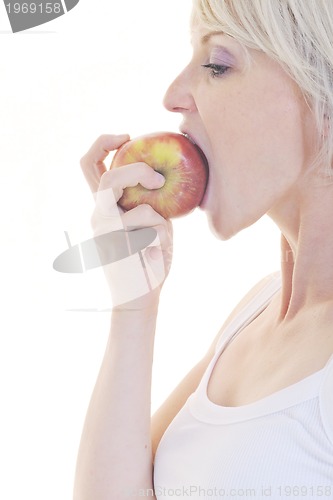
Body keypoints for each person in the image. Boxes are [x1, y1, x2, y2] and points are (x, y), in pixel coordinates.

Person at [73, 1, 333, 498]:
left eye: (217, 64)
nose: (172, 96)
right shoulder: (258, 311)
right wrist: (133, 305)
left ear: (320, 92)